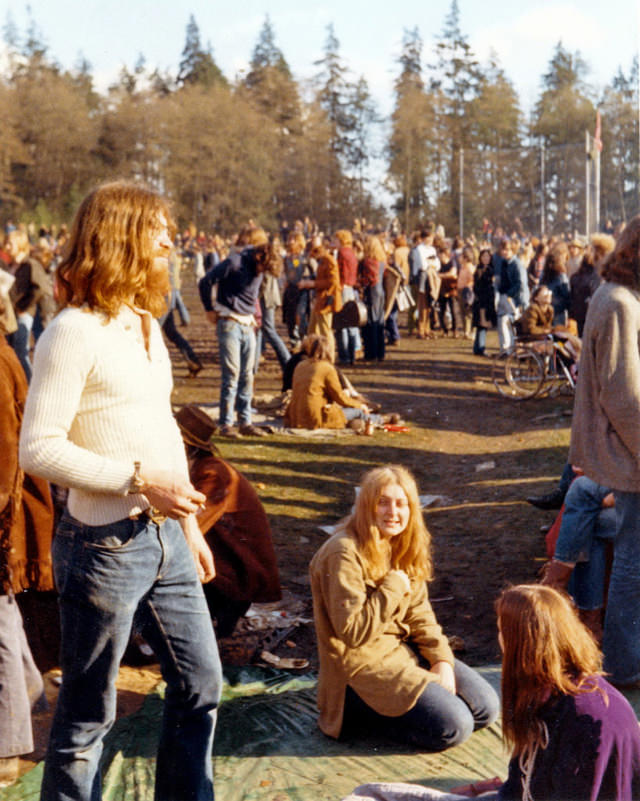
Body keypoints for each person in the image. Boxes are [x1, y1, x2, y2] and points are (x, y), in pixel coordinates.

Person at [19, 181, 223, 801]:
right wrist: (138, 480)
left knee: (202, 686)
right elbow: (39, 448)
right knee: (87, 719)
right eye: (157, 227)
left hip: (167, 542)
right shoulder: (71, 331)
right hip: (102, 549)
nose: (170, 239)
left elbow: (160, 427)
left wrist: (187, 525)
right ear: (121, 236)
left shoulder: (142, 323)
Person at [309, 465, 498, 750]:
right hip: (360, 670)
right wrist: (394, 585)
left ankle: (410, 704)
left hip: (403, 654)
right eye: (382, 503)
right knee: (455, 727)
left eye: (401, 504)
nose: (392, 513)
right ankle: (361, 717)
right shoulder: (344, 551)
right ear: (366, 507)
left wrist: (441, 660)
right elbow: (353, 633)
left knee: (486, 708)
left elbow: (421, 615)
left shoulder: (402, 544)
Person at [570, 215, 640, 688]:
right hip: (629, 453)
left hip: (626, 451)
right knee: (634, 561)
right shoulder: (618, 303)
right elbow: (623, 396)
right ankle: (627, 663)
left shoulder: (619, 297)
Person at [494, 585, 640, 801]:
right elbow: (517, 787)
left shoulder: (583, 719)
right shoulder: (546, 691)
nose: (499, 638)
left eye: (501, 631)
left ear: (521, 644)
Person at [0, 307, 54, 789]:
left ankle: (6, 750)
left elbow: (4, 459)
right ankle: (31, 690)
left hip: (2, 523)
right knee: (5, 619)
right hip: (9, 522)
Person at [175, 404, 281, 637]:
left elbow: (189, 527)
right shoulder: (198, 469)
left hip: (238, 578)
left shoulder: (213, 474)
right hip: (226, 570)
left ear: (185, 445)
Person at [199, 226, 278, 437]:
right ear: (258, 256)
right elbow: (205, 281)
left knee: (248, 374)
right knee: (231, 374)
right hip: (229, 322)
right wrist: (209, 309)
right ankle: (226, 423)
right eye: (262, 267)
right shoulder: (233, 263)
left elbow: (253, 295)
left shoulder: (261, 267)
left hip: (248, 323)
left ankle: (246, 421)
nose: (262, 272)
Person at [284, 335, 380, 430]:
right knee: (359, 412)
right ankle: (382, 420)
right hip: (316, 416)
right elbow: (339, 397)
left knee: (348, 413)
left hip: (296, 416)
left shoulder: (300, 365)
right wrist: (360, 405)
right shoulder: (327, 368)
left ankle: (356, 422)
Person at [471, 247, 496, 356]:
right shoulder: (479, 271)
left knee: (482, 325)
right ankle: (480, 348)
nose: (486, 258)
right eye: (484, 256)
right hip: (482, 300)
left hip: (488, 300)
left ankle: (477, 347)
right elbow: (477, 287)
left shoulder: (491, 270)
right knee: (482, 324)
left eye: (488, 256)